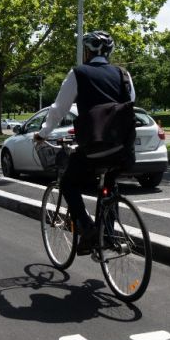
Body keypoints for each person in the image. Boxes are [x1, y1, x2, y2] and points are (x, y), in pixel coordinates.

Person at [34, 31, 136, 254]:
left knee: (69, 183)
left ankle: (89, 230)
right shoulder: (123, 74)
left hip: (93, 146)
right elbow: (130, 104)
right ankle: (107, 234)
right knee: (110, 185)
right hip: (122, 148)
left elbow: (58, 109)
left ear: (87, 52)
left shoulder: (78, 73)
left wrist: (42, 133)